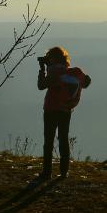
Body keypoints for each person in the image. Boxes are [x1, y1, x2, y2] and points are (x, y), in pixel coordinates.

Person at [37, 46, 91, 179]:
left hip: (50, 110)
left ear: (52, 58)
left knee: (49, 141)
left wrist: (42, 69)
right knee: (63, 139)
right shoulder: (72, 72)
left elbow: (41, 86)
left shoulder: (54, 73)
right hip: (66, 110)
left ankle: (47, 172)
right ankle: (64, 171)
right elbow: (86, 82)